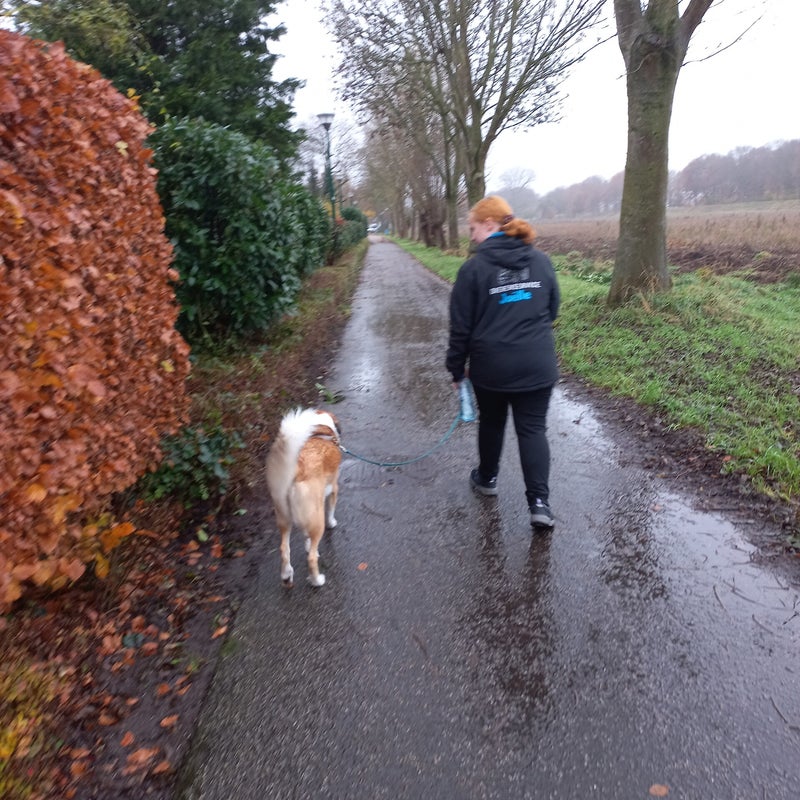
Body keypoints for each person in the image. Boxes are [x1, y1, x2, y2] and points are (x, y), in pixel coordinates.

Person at [446, 195, 560, 528]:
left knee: (492, 421)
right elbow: (552, 310)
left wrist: (456, 368)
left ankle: (487, 478)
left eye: (473, 228)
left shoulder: (473, 270)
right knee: (533, 429)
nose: (471, 236)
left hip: (491, 367)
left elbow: (460, 328)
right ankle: (539, 504)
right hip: (538, 363)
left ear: (489, 225)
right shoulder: (541, 261)